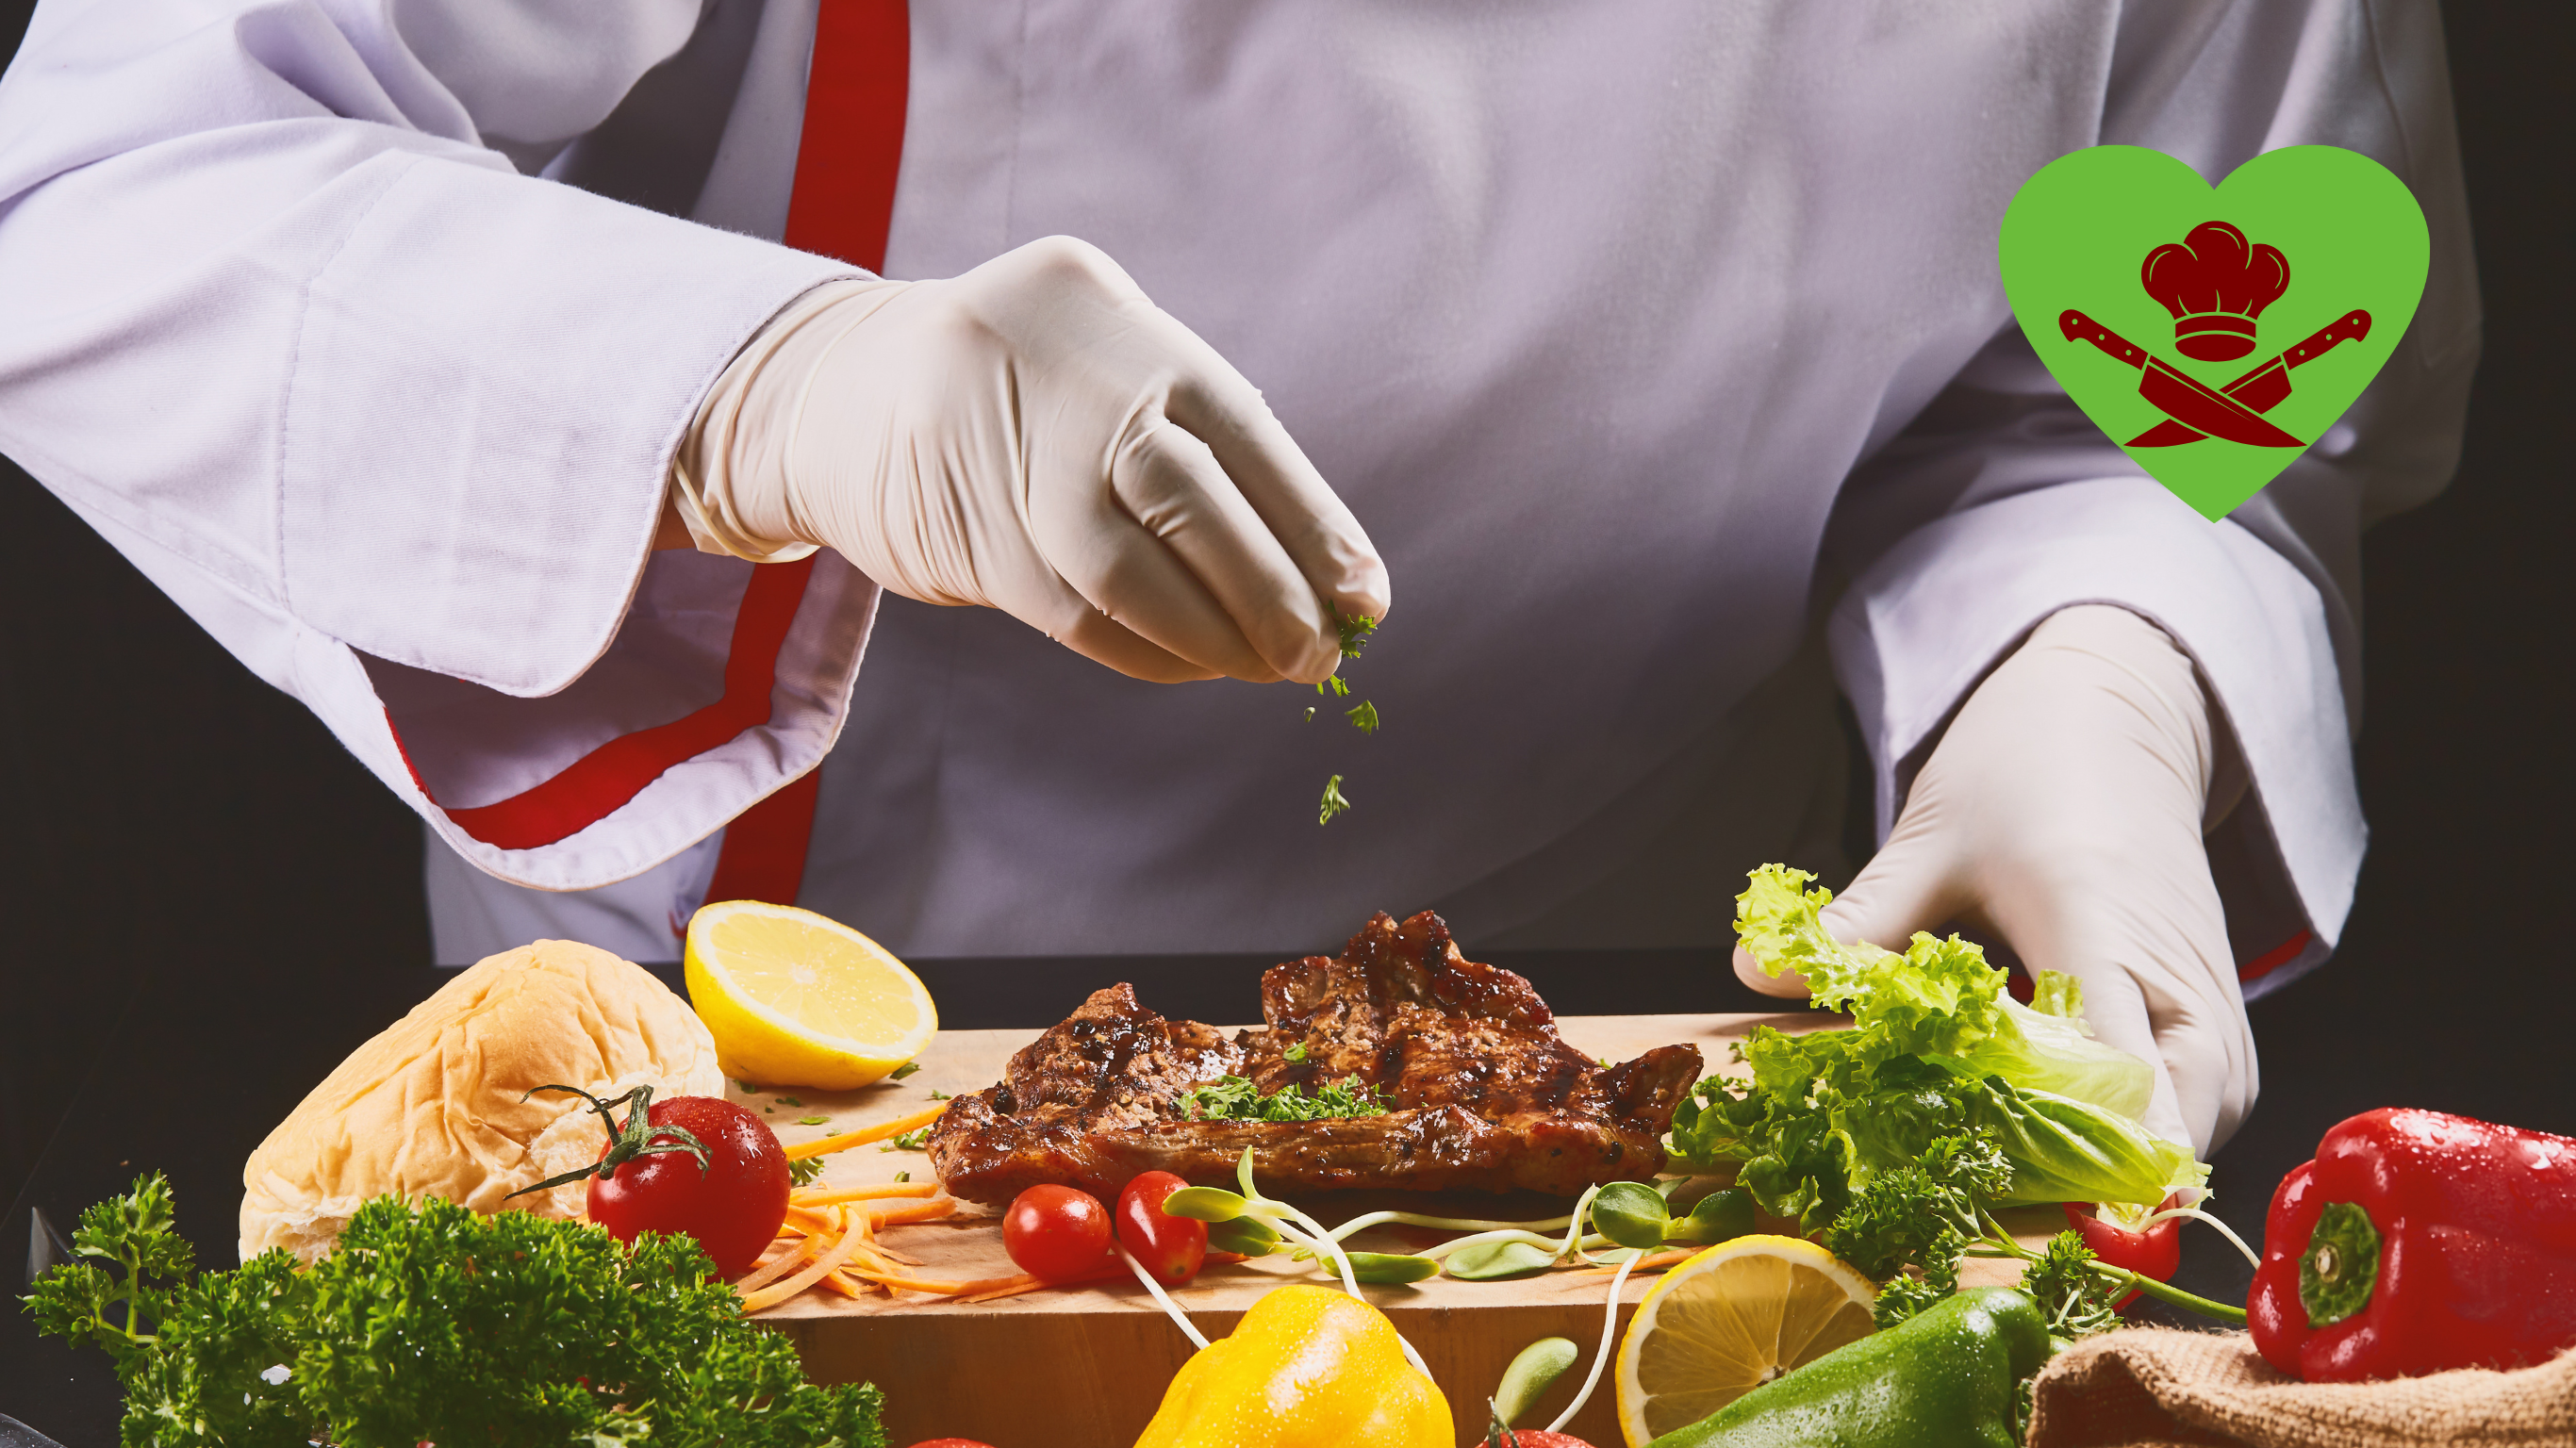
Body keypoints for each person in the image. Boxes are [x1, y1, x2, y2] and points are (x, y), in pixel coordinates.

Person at [0, 0, 2477, 1160]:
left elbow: (2141, 384)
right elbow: (106, 197)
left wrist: (2093, 684)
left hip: (1654, 1043)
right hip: (767, 1051)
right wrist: (769, 390)